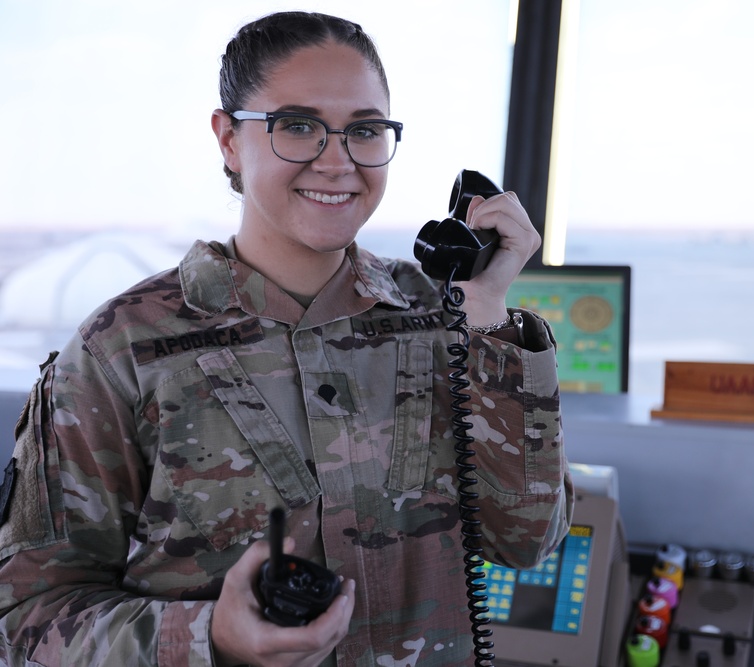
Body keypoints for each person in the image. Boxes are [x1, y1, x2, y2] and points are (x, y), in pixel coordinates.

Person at [0, 11, 573, 667]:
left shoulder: (441, 315)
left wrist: (489, 314)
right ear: (228, 140)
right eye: (297, 125)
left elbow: (527, 541)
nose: (339, 162)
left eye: (364, 130)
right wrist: (210, 635)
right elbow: (26, 617)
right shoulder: (122, 348)